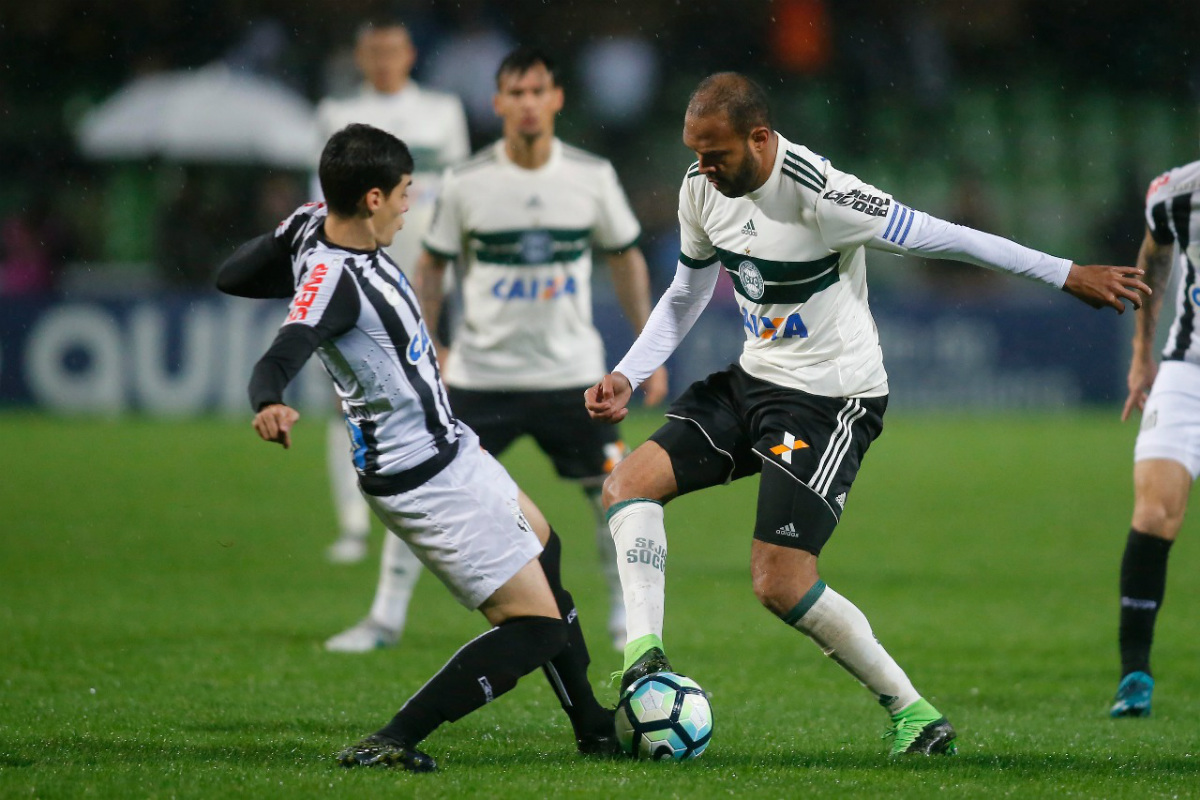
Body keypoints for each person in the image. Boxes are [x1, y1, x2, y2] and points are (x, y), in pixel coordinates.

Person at [584, 73, 1150, 756]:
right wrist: (628, 371)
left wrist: (1066, 273)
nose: (703, 168)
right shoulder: (701, 187)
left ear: (759, 138)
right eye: (695, 154)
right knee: (628, 485)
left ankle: (914, 714)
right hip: (753, 379)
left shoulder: (824, 195)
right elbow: (686, 291)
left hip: (829, 400)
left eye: (716, 154)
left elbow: (947, 236)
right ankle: (644, 659)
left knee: (779, 581)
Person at [216, 123, 617, 770]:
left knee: (546, 550)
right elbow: (280, 355)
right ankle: (395, 738)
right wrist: (268, 401)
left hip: (450, 447)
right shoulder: (334, 279)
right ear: (373, 198)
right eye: (405, 191)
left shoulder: (311, 224)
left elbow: (230, 275)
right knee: (535, 628)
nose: (412, 204)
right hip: (423, 478)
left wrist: (290, 250)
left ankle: (594, 727)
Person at [325, 47, 668, 654]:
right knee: (421, 485)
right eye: (516, 93)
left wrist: (647, 349)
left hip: (571, 375)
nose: (528, 104)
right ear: (498, 103)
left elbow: (625, 257)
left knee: (614, 494)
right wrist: (431, 341)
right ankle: (384, 619)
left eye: (538, 91)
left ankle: (624, 619)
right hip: (483, 375)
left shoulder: (591, 176)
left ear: (556, 99)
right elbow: (432, 265)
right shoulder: (467, 181)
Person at [313, 20, 471, 582]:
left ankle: (433, 514)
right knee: (349, 398)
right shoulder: (335, 114)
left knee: (434, 395)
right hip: (358, 278)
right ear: (360, 57)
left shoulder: (443, 112)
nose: (383, 60)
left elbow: (458, 196)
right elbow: (321, 201)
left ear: (410, 53)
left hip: (425, 281)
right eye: (374, 51)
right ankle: (354, 525)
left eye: (392, 50)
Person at [1108, 159, 1199, 718]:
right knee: (1154, 513)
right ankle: (1134, 673)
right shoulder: (1176, 195)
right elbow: (1155, 257)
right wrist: (1143, 353)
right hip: (1189, 369)